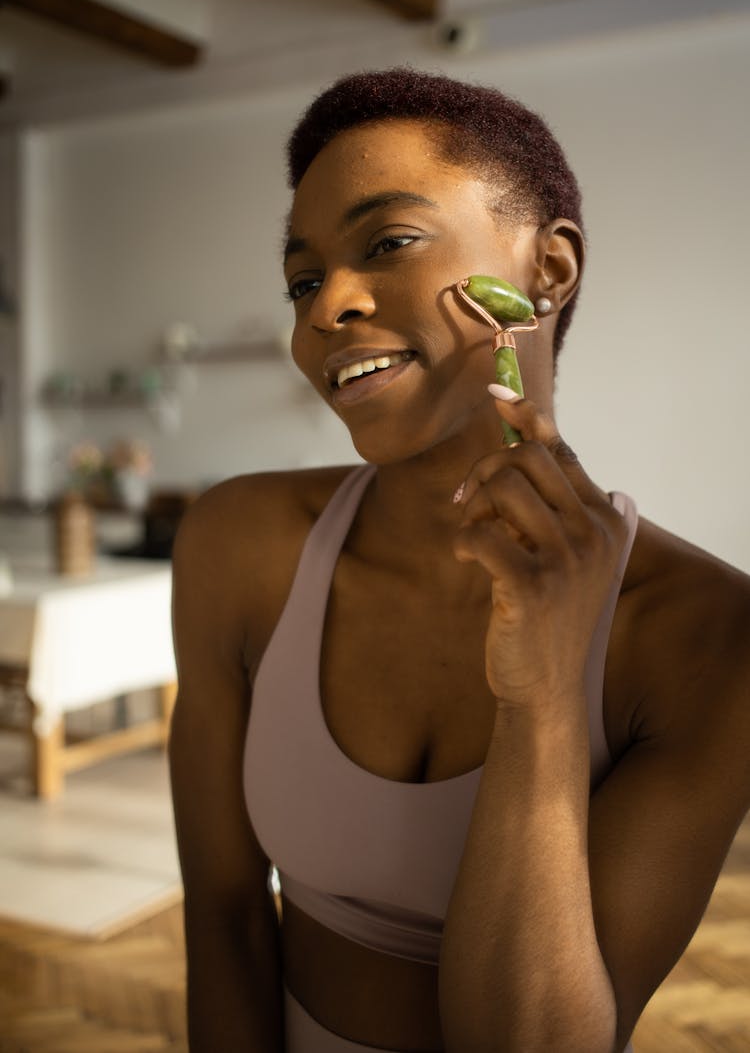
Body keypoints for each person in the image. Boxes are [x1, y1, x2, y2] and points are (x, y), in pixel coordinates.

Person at [168, 67, 750, 1053]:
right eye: (303, 279)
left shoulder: (707, 634)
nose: (325, 309)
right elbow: (223, 922)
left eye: (388, 242)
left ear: (548, 271)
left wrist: (546, 696)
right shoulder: (240, 543)